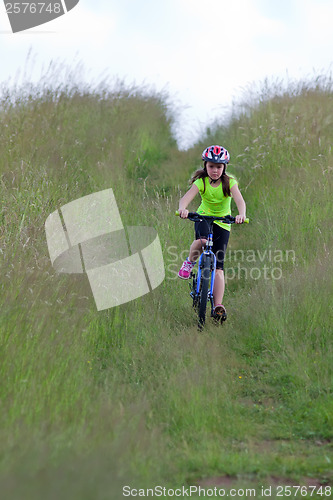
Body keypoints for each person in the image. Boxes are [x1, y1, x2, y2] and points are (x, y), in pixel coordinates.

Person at [177, 145, 246, 320]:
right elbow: (185, 199)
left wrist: (241, 214)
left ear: (224, 168)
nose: (215, 170)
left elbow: (239, 200)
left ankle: (218, 306)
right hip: (203, 218)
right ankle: (189, 262)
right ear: (205, 166)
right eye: (211, 166)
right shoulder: (201, 182)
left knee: (219, 268)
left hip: (223, 223)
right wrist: (183, 209)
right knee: (201, 242)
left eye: (219, 167)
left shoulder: (230, 183)